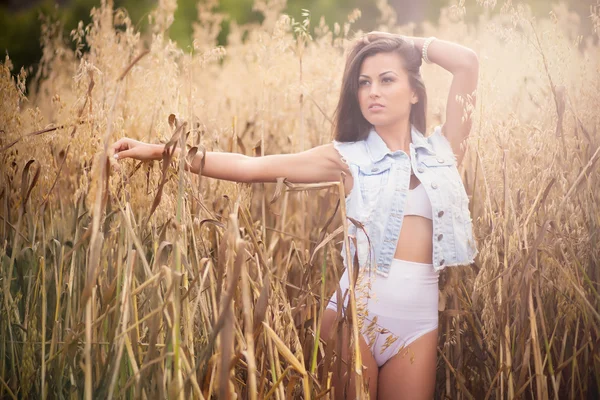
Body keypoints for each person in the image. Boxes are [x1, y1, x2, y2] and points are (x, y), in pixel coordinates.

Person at [111, 32, 479, 400]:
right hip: (355, 322)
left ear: (414, 90)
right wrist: (162, 151)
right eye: (364, 83)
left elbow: (467, 63)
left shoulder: (444, 152)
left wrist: (401, 42)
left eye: (387, 79)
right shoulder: (347, 158)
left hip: (418, 326)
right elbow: (249, 166)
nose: (373, 92)